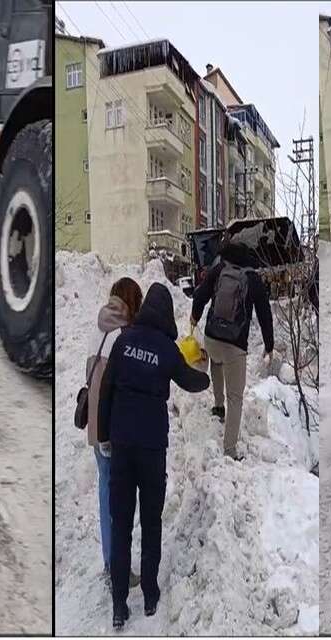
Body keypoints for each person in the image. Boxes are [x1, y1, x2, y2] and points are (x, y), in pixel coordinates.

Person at [98, 284, 210, 629]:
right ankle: (149, 593)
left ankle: (119, 602)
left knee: (120, 524)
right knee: (150, 521)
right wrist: (207, 375)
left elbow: (106, 391)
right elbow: (189, 381)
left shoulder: (124, 340)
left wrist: (103, 435)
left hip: (122, 446)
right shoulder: (165, 348)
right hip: (151, 449)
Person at [189, 242, 274, 461]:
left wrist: (195, 316)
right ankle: (229, 450)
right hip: (235, 344)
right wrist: (269, 345)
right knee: (235, 397)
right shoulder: (252, 279)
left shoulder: (219, 270)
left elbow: (201, 294)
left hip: (211, 337)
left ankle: (218, 407)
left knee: (216, 362)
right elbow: (265, 313)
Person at [84, 277, 143, 587]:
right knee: (119, 503)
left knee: (106, 495)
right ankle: (119, 570)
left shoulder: (99, 328)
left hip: (96, 429)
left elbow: (89, 376)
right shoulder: (123, 335)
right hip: (114, 430)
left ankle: (110, 563)